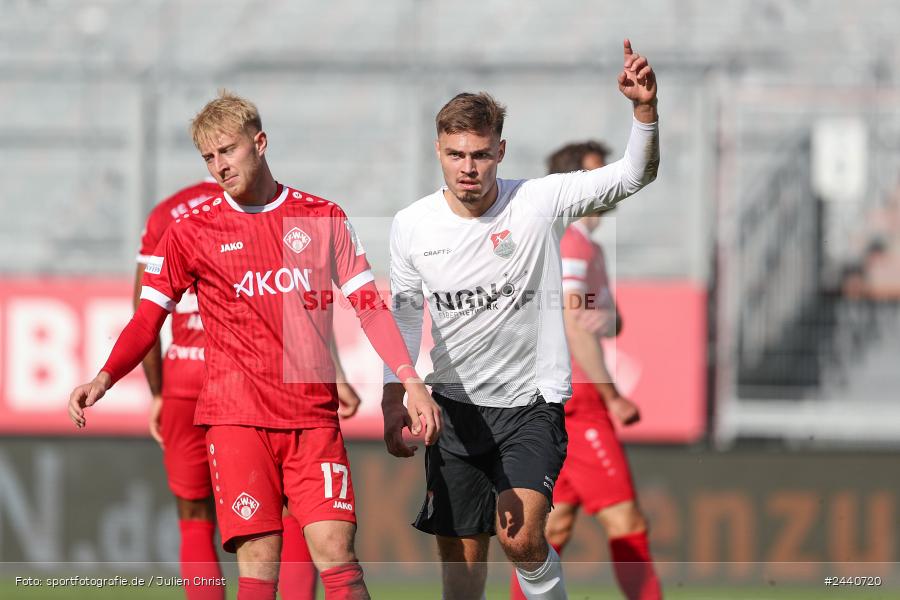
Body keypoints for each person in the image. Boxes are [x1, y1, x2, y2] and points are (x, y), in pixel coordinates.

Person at [69, 90, 441, 600]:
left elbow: (370, 308)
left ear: (260, 143)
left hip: (312, 420)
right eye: (209, 157)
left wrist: (409, 381)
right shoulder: (190, 232)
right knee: (258, 570)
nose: (219, 166)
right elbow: (146, 319)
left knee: (338, 554)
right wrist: (103, 377)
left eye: (228, 151)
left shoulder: (321, 216)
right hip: (237, 421)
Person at [382, 39, 659, 600]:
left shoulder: (539, 201)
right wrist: (395, 395)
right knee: (461, 575)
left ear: (500, 151)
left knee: (522, 534)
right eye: (457, 154)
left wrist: (644, 112)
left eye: (480, 154)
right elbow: (406, 315)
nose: (469, 168)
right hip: (453, 409)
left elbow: (634, 175)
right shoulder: (412, 225)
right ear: (438, 150)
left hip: (529, 407)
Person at [135, 177, 364, 600]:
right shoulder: (270, 206)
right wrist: (332, 371)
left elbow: (145, 305)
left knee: (195, 517)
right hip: (258, 379)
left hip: (186, 380)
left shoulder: (170, 212)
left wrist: (158, 393)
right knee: (293, 506)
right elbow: (301, 302)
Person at [509, 142, 662, 599]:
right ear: (576, 182)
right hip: (578, 400)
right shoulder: (573, 241)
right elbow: (576, 324)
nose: (610, 183)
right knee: (626, 521)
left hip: (550, 398)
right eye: (599, 173)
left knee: (550, 528)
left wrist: (608, 318)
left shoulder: (567, 241)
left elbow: (604, 317)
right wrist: (612, 394)